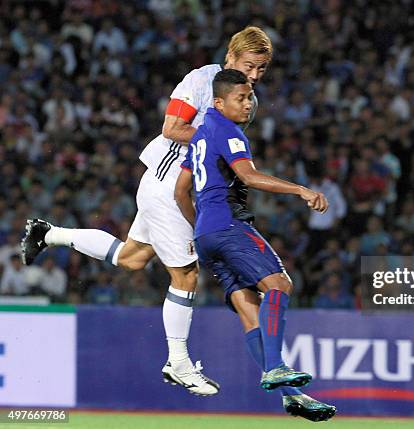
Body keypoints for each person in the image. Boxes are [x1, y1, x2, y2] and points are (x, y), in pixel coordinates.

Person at [21, 26, 274, 397]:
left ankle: (48, 233)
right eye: (249, 66)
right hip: (168, 186)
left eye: (262, 69)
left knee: (131, 258)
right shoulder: (203, 80)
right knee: (186, 275)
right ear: (231, 57)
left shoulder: (246, 98)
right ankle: (178, 361)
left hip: (181, 188)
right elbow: (171, 127)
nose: (254, 76)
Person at [175, 69, 336, 422]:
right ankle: (276, 366)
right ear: (218, 102)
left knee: (250, 313)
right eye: (241, 98)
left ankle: (292, 397)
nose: (248, 105)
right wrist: (301, 190)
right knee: (279, 284)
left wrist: (200, 227)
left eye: (250, 98)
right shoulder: (227, 131)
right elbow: (248, 176)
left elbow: (180, 190)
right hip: (228, 225)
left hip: (206, 236)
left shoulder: (200, 135)